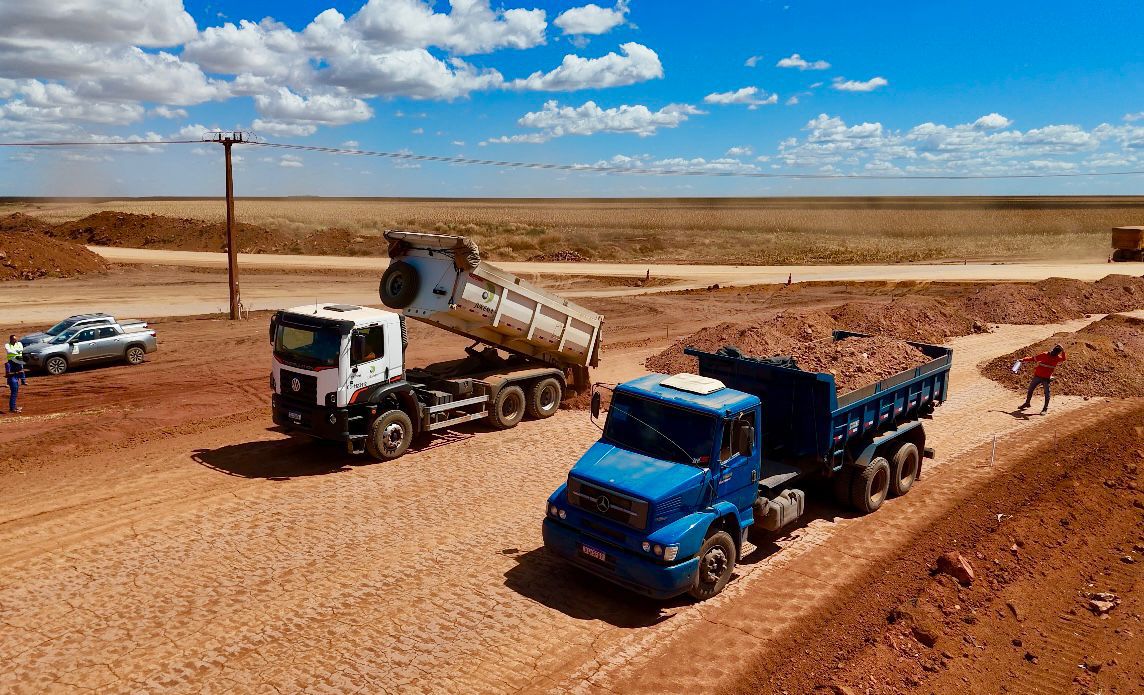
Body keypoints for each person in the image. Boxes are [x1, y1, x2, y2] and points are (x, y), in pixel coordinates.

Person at [1018, 344, 1066, 414]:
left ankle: (1045, 409)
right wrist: (1023, 359)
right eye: (1053, 352)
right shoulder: (1044, 355)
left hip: (1046, 378)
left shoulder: (1057, 358)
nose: (1053, 354)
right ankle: (1027, 403)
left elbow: (1064, 359)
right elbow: (1033, 358)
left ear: (1057, 353)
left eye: (1055, 353)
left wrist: (1063, 350)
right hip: (1037, 376)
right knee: (1030, 389)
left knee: (1047, 393)